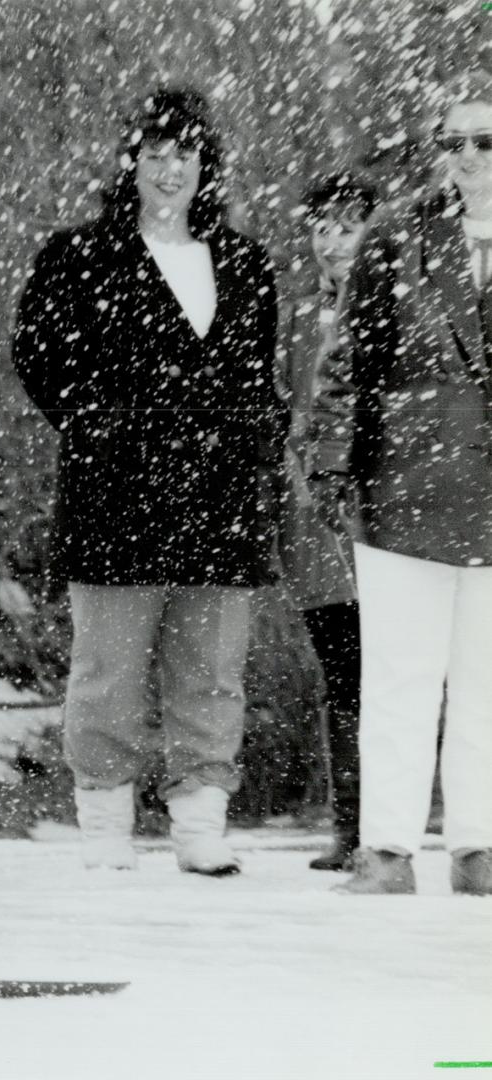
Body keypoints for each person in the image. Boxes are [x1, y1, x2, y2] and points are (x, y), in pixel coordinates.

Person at [11, 87, 284, 876]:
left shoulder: (242, 260)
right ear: (131, 164)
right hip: (115, 495)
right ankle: (106, 827)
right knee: (108, 672)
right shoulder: (79, 257)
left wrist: (255, 434)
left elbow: (257, 371)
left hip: (220, 499)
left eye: (186, 156)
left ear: (208, 167)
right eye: (156, 155)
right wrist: (95, 420)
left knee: (211, 670)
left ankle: (201, 826)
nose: (171, 171)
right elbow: (39, 356)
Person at [315, 71, 492, 897]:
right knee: (397, 674)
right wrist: (329, 467)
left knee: (488, 683)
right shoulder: (396, 237)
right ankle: (385, 849)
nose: (466, 158)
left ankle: (479, 847)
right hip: (407, 480)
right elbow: (347, 363)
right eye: (450, 143)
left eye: (484, 142)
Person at [276, 174, 378, 872]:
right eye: (322, 226)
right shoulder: (298, 311)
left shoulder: (403, 296)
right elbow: (285, 401)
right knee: (342, 669)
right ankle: (352, 824)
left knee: (399, 669)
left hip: (389, 501)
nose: (333, 240)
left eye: (347, 224)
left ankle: (396, 819)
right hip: (314, 509)